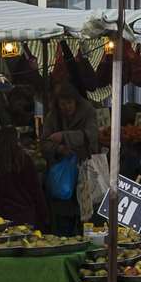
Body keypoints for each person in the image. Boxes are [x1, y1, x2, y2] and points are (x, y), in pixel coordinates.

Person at [40, 84, 100, 234]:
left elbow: (92, 135)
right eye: (62, 104)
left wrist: (64, 136)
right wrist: (59, 149)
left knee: (86, 218)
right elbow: (44, 144)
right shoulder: (52, 117)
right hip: (62, 173)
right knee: (63, 222)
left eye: (69, 103)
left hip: (85, 171)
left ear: (76, 102)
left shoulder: (88, 112)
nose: (66, 107)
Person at [0, 126, 50, 229]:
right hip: (26, 214)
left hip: (5, 215)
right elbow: (36, 190)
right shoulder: (25, 160)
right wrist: (44, 215)